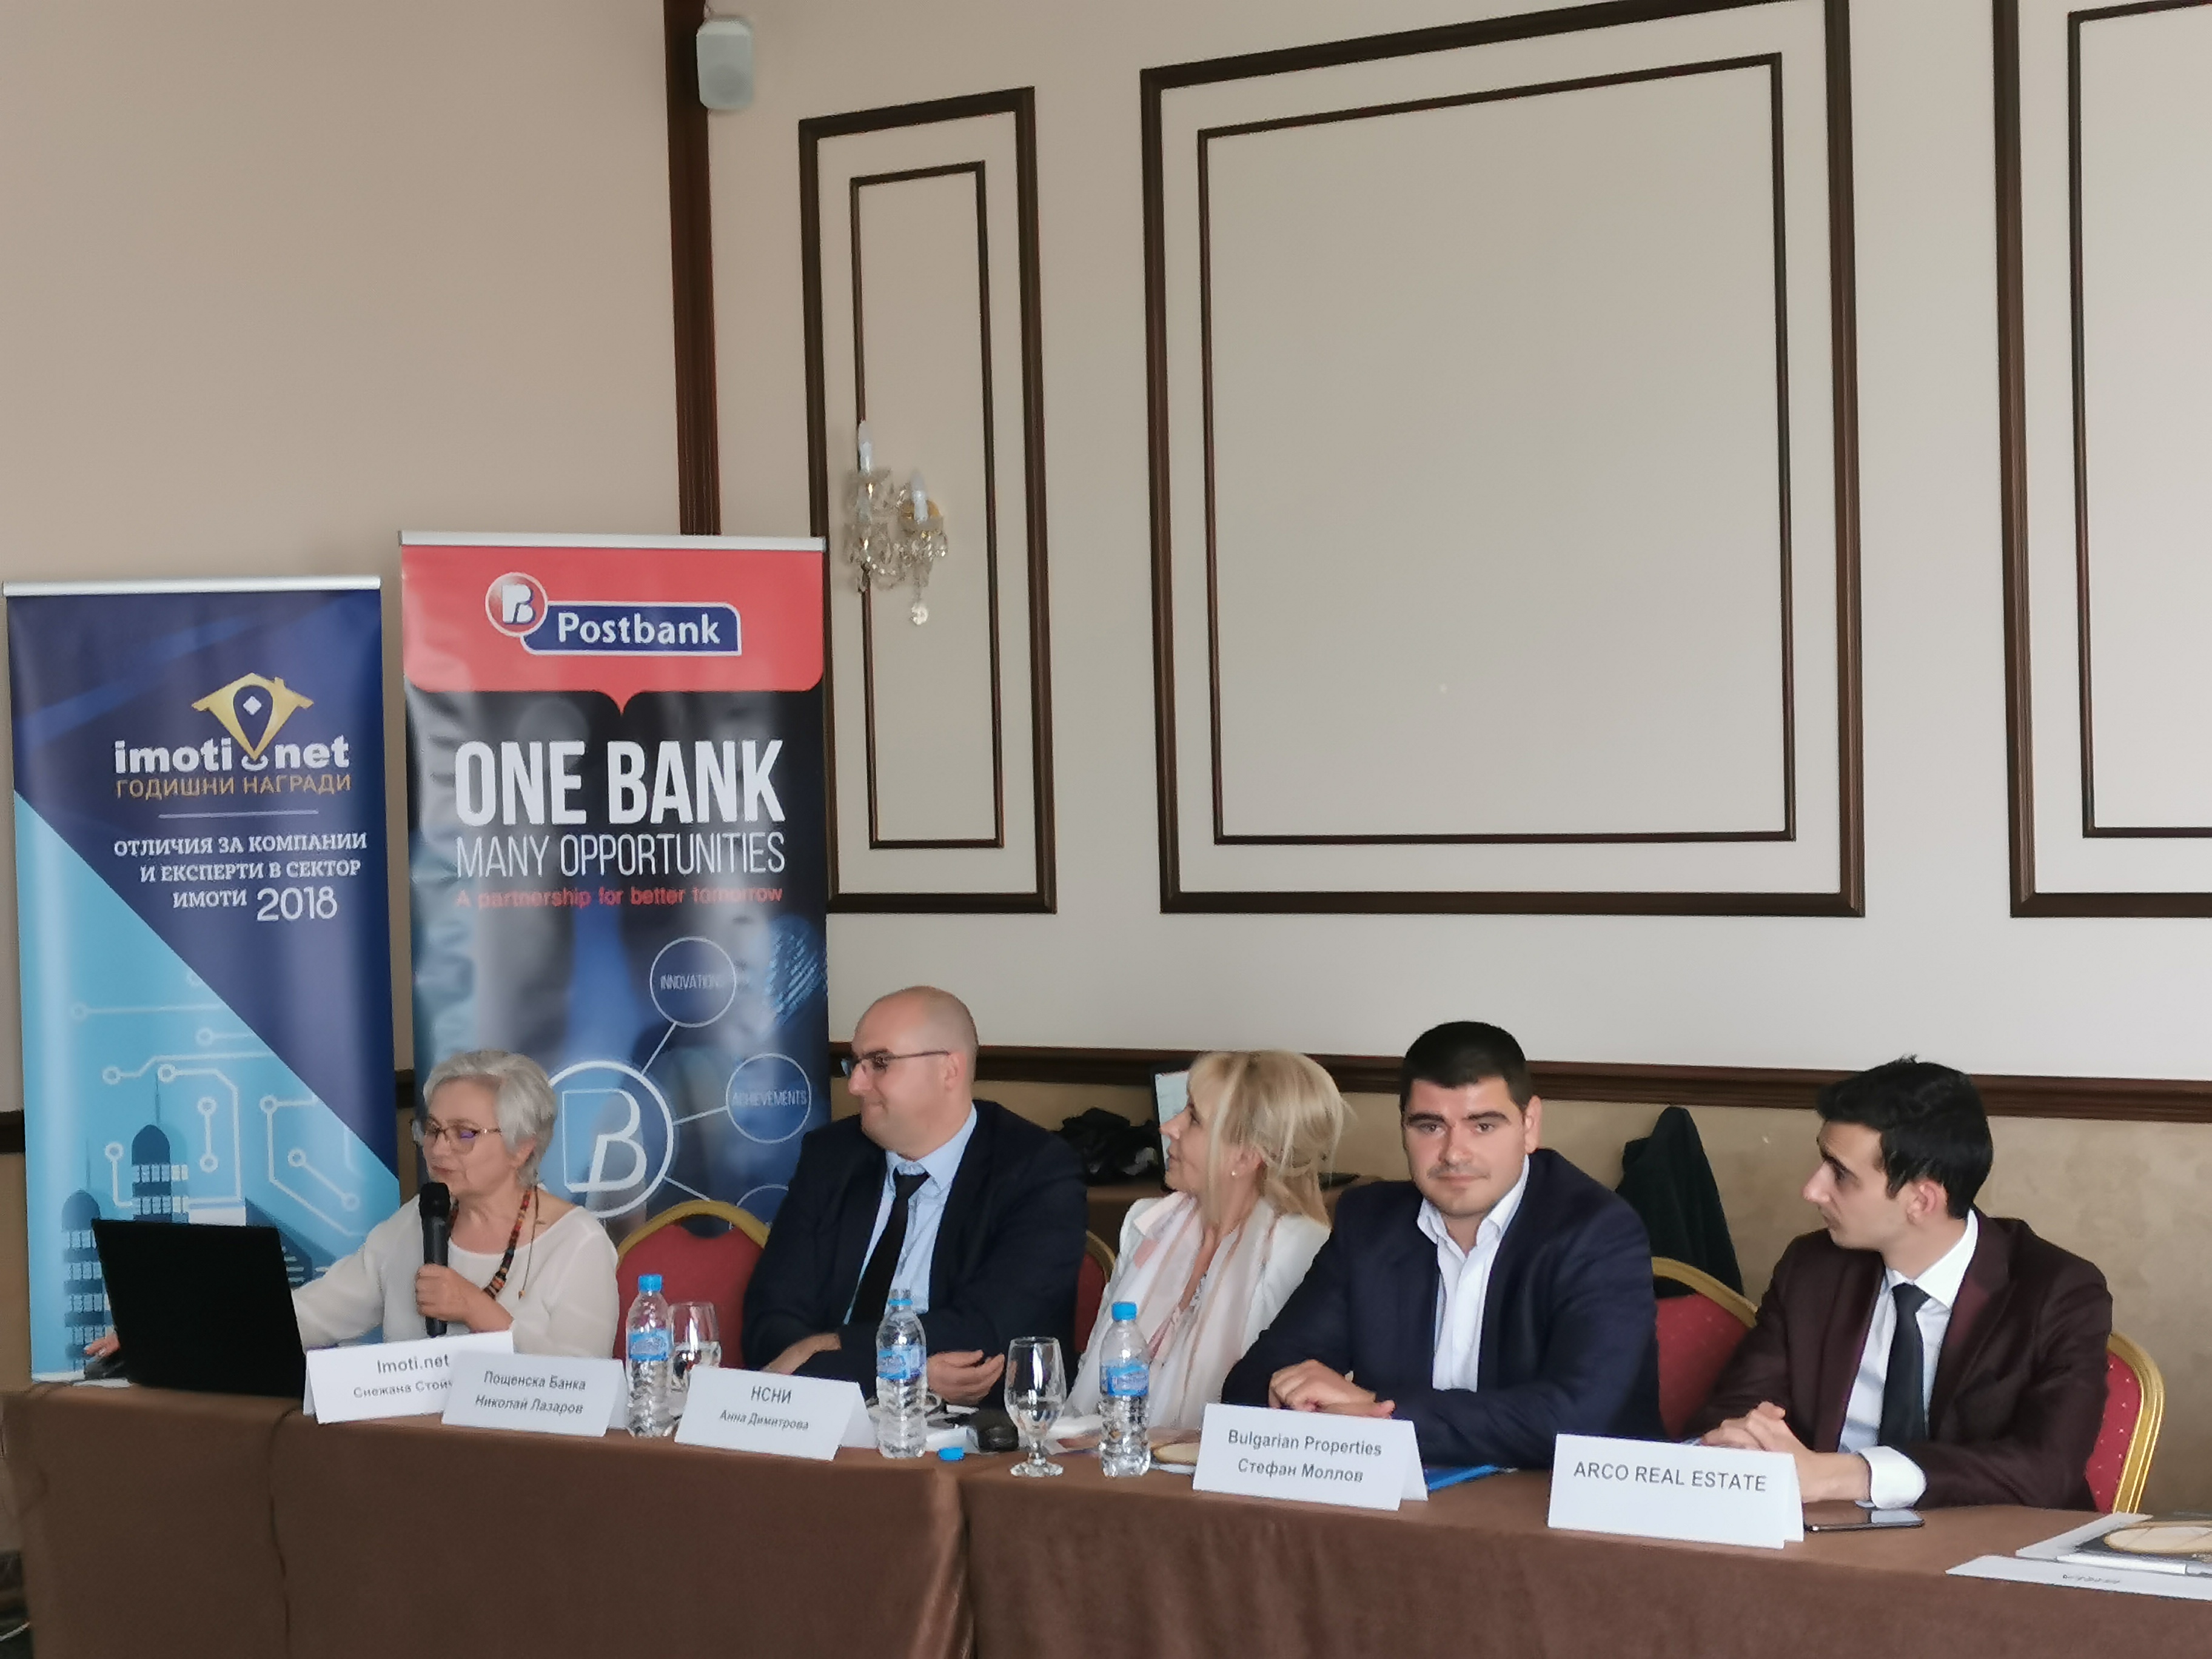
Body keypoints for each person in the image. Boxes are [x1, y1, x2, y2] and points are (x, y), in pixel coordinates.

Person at [1222, 1021, 1662, 1467]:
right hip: (1402, 1496)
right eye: (1430, 1127)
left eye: (1483, 1126)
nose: (1454, 1153)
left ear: (1529, 1125)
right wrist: (1312, 1403)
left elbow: (1575, 1419)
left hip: (1562, 1500)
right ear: (1403, 1129)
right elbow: (1256, 1380)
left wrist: (1378, 1410)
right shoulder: (1370, 1223)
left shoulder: (1597, 1230)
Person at [1691, 1059, 2111, 1509]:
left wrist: (1847, 1476)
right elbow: (1735, 1410)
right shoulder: (1811, 1269)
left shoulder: (2057, 1291)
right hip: (1824, 1534)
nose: (1812, 1190)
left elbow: (2047, 1470)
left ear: (1922, 1200)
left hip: (1993, 1540)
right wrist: (1740, 1444)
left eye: (1841, 1174)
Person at [740, 985, 1086, 1404]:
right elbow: (768, 1327)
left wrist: (830, 1347)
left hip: (974, 1429)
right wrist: (908, 1373)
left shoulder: (1036, 1170)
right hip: (825, 1417)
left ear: (949, 1070)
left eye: (879, 1063)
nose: (855, 1085)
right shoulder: (832, 1157)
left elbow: (991, 1334)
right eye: (855, 1063)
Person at [1066, 1050, 1347, 1429]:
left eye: (1194, 1118)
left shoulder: (1300, 1249)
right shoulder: (1148, 1222)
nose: (1169, 1127)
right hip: (1111, 1450)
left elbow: (1294, 1411)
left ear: (1246, 1157)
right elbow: (1096, 1366)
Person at [291, 1049, 620, 1356]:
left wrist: (475, 1309)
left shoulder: (577, 1242)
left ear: (522, 1148)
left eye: (464, 1134)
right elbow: (313, 1315)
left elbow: (584, 1381)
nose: (438, 1149)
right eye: (433, 1129)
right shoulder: (419, 1219)